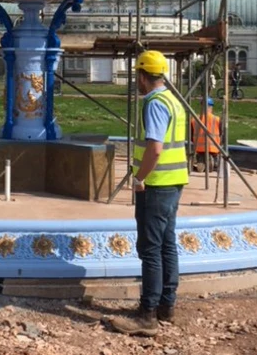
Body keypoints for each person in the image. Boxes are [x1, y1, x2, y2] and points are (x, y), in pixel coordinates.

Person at [111, 50, 188, 337]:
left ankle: (148, 315)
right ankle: (167, 306)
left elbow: (155, 148)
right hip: (175, 181)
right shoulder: (174, 100)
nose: (136, 81)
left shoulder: (154, 103)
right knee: (167, 244)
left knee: (150, 249)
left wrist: (139, 178)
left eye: (136, 76)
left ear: (142, 76)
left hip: (156, 184)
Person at [190, 97, 221, 172]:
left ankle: (201, 161)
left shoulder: (194, 119)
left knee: (200, 155)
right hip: (214, 148)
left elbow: (191, 136)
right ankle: (213, 161)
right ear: (211, 107)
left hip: (199, 148)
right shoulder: (217, 119)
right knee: (215, 155)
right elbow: (222, 135)